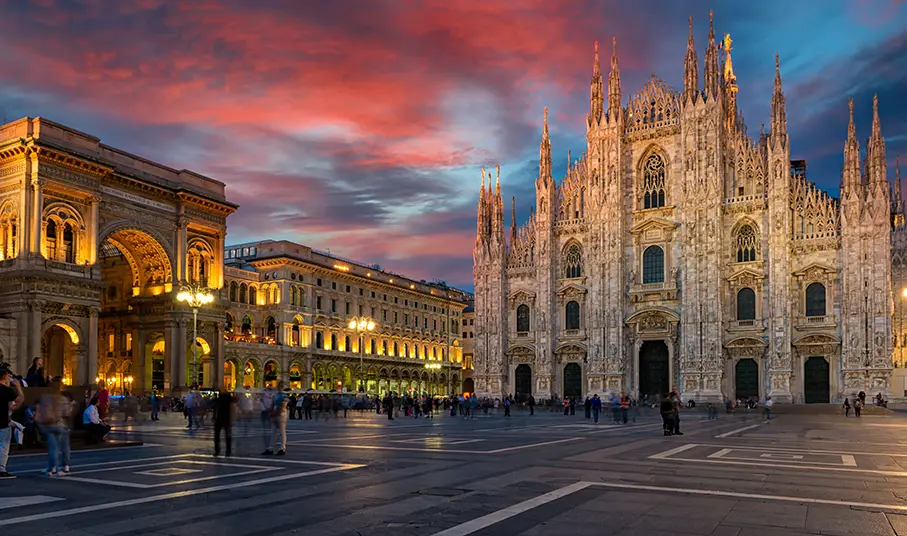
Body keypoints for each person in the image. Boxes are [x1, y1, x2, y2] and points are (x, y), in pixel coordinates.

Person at [37, 379, 71, 477]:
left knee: (52, 448)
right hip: (60, 425)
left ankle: (50, 469)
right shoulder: (63, 398)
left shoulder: (45, 398)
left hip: (48, 425)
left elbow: (41, 411)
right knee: (57, 448)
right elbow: (67, 413)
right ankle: (56, 468)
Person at [0, 366, 25, 479]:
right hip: (2, 422)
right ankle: (1, 469)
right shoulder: (6, 390)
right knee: (3, 446)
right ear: (4, 377)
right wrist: (18, 387)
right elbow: (19, 400)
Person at [263, 384, 288, 455]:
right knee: (273, 432)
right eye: (278, 387)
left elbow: (282, 406)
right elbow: (272, 404)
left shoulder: (284, 396)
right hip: (276, 413)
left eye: (280, 387)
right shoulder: (277, 395)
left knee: (281, 432)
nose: (278, 388)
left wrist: (274, 413)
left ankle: (282, 448)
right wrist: (271, 413)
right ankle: (270, 448)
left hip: (281, 414)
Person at [213, 391, 235, 458]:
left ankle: (219, 451)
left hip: (222, 419)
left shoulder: (220, 398)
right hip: (224, 419)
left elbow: (216, 407)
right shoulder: (227, 398)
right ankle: (226, 451)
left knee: (218, 436)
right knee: (226, 436)